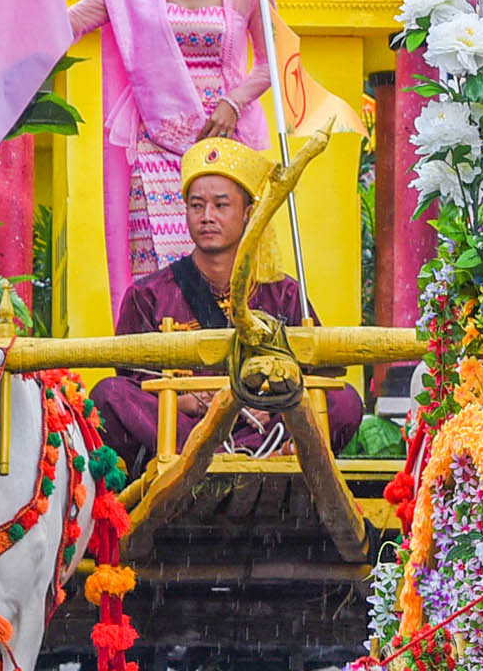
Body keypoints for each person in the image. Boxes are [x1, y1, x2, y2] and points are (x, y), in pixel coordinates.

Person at [65, 0, 283, 292]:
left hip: (223, 146)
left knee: (229, 276)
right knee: (156, 280)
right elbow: (64, 25)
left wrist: (233, 103)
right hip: (154, 147)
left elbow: (271, 62)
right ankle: (154, 363)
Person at [89, 140, 363, 465]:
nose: (207, 217)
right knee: (107, 395)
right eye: (196, 206)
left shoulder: (283, 293)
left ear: (248, 213)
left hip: (265, 424)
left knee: (345, 401)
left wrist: (272, 401)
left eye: (221, 206)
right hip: (184, 427)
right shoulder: (148, 295)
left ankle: (243, 449)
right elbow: (132, 381)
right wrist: (187, 401)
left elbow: (317, 373)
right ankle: (218, 454)